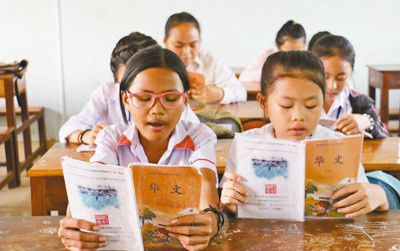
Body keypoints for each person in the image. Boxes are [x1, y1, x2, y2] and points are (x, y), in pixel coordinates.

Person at [58, 45, 221, 250]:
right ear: (126, 99)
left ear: (184, 99)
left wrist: (211, 221)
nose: (157, 110)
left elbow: (206, 184)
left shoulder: (199, 136)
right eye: (144, 99)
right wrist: (74, 224)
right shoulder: (112, 138)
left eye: (170, 99)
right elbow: (91, 184)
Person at [220, 50, 389, 218]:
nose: (298, 116)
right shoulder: (247, 144)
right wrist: (229, 202)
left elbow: (368, 200)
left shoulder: (338, 144)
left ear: (322, 101)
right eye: (286, 105)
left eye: (311, 106)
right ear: (264, 103)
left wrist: (379, 196)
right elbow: (227, 203)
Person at [59, 32, 200, 145]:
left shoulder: (173, 99)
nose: (132, 89)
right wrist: (86, 135)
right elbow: (68, 128)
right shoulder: (107, 94)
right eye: (143, 97)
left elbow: (197, 134)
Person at [311, 35, 389, 139]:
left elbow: (385, 135)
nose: (332, 86)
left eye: (341, 78)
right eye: (325, 76)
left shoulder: (361, 102)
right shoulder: (299, 99)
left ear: (351, 72)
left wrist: (367, 122)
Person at [164, 11, 246, 104]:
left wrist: (220, 94)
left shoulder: (211, 60)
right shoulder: (154, 62)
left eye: (193, 45)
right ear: (165, 41)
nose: (186, 52)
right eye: (179, 46)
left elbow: (241, 93)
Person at [239, 20, 306, 82]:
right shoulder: (266, 55)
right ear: (278, 46)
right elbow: (244, 77)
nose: (294, 56)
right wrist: (274, 73)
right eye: (288, 52)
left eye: (299, 51)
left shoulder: (309, 56)